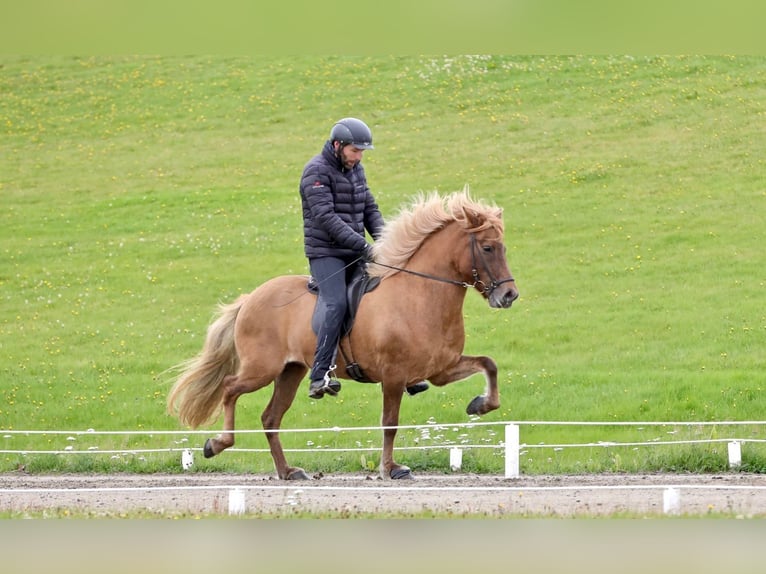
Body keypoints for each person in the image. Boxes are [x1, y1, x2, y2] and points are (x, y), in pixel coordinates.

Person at [299, 117, 383, 399]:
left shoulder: (356, 170)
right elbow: (327, 219)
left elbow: (369, 208)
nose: (358, 157)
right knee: (335, 303)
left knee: (388, 292)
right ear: (338, 145)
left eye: (361, 152)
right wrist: (364, 246)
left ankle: (403, 369)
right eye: (354, 151)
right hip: (326, 254)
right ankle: (319, 373)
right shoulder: (316, 173)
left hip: (355, 250)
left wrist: (386, 241)